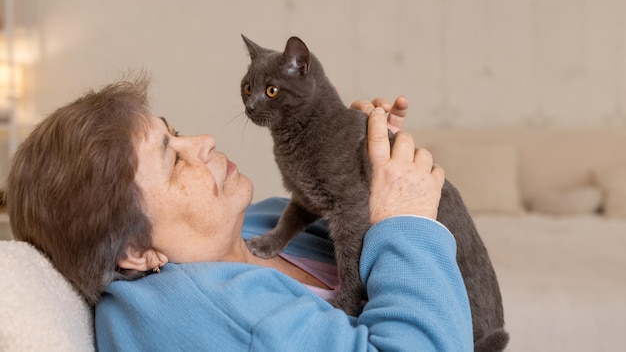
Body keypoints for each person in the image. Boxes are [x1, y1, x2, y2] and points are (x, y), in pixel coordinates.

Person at [7, 75, 473, 351]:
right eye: (172, 158)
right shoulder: (190, 314)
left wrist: (355, 169)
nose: (204, 141)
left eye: (179, 131)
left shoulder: (249, 227)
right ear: (134, 248)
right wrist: (405, 222)